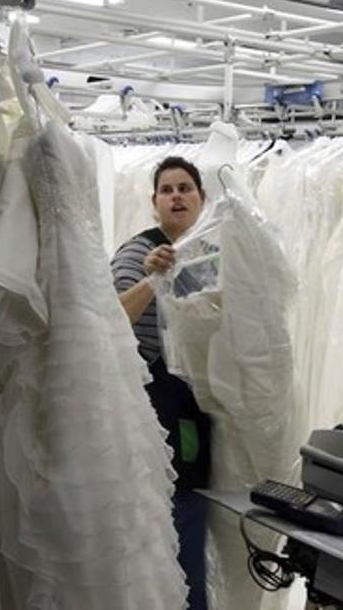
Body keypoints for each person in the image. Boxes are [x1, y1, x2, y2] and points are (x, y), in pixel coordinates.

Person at [111, 156, 212, 610]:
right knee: (172, 513)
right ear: (154, 203)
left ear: (201, 198)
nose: (176, 197)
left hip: (200, 400)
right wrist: (153, 276)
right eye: (167, 190)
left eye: (185, 188)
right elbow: (110, 319)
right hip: (153, 403)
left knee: (192, 519)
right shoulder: (139, 252)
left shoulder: (211, 250)